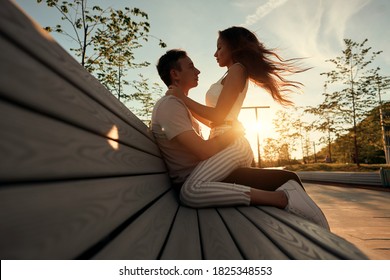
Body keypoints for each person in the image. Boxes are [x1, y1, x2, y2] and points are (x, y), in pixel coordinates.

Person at [152, 48, 329, 230]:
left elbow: (206, 146)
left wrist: (231, 132)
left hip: (206, 174)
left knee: (192, 191)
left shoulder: (179, 105)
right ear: (175, 74)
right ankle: (296, 206)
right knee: (283, 179)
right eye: (191, 67)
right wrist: (231, 134)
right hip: (201, 177)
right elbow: (204, 151)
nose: (198, 71)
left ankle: (305, 218)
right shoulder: (170, 106)